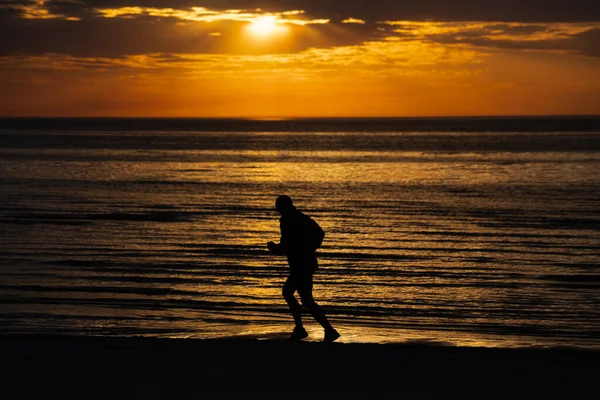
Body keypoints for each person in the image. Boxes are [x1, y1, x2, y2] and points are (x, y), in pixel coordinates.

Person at [267, 195, 340, 342]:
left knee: (293, 295)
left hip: (302, 266)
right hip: (302, 264)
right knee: (304, 299)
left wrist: (277, 248)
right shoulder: (299, 218)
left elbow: (290, 244)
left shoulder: (290, 220)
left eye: (279, 208)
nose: (278, 211)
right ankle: (320, 329)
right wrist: (306, 248)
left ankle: (310, 329)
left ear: (284, 207)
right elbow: (292, 244)